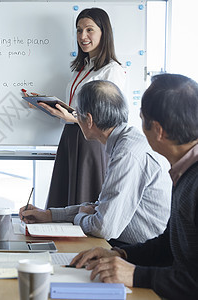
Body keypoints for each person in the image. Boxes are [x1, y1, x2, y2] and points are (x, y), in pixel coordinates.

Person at [70, 74, 198, 299]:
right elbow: (170, 243)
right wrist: (120, 253)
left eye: (141, 118)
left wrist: (137, 275)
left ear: (158, 130)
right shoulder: (185, 171)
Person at [20, 80, 171, 246]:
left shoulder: (127, 154)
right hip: (130, 245)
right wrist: (49, 215)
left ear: (89, 120)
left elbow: (103, 227)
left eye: (77, 114)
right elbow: (100, 207)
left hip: (141, 253)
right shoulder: (125, 142)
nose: (76, 118)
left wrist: (80, 217)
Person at [32, 8, 126, 208]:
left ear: (104, 32)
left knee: (84, 200)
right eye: (78, 30)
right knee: (64, 200)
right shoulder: (83, 68)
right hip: (71, 136)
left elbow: (110, 119)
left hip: (91, 142)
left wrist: (72, 117)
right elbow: (78, 107)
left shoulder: (112, 70)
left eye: (89, 30)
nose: (83, 36)